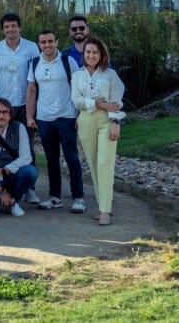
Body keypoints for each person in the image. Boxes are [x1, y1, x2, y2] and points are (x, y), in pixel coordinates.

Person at [0, 13, 40, 204]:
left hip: (24, 104)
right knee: (1, 145)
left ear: (20, 27)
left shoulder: (32, 48)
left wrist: (34, 107)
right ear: (2, 29)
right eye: (6, 27)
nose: (10, 30)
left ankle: (29, 187)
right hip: (2, 106)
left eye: (13, 26)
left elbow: (36, 78)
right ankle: (2, 182)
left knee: (28, 146)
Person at [26, 29, 85, 213]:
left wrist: (78, 115)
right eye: (43, 42)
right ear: (39, 44)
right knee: (51, 159)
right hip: (44, 119)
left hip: (66, 116)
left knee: (71, 158)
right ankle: (55, 197)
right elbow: (31, 90)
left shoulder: (68, 61)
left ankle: (78, 197)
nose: (47, 45)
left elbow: (79, 88)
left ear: (57, 42)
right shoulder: (35, 63)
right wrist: (30, 115)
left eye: (50, 41)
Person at [70, 37, 126, 226]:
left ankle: (105, 210)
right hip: (86, 120)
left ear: (101, 54)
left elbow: (116, 102)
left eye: (95, 52)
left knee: (105, 163)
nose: (91, 55)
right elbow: (77, 100)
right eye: (88, 52)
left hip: (107, 121)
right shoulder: (78, 76)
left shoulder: (110, 75)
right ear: (83, 55)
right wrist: (99, 103)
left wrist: (115, 122)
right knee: (93, 164)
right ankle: (102, 203)